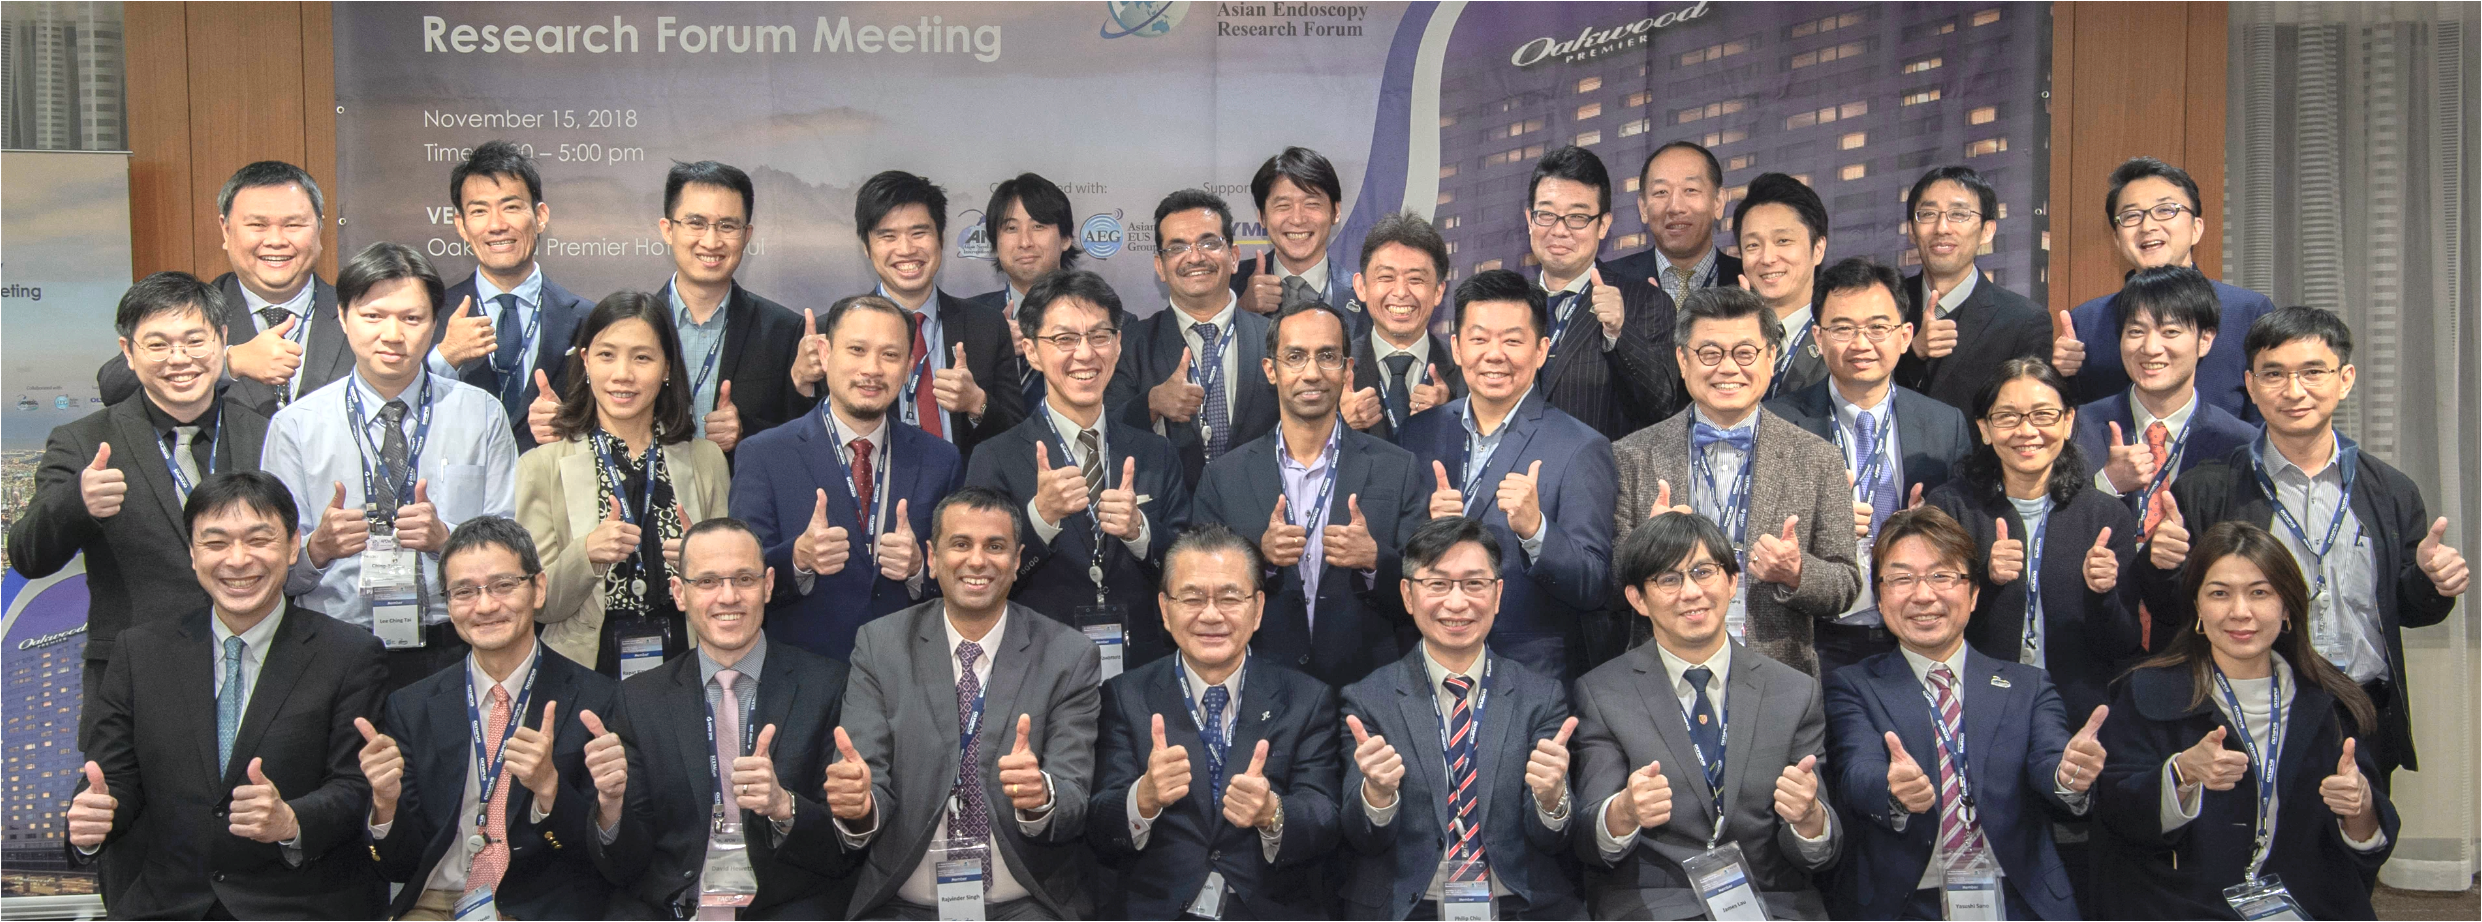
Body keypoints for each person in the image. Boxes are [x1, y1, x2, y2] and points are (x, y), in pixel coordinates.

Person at [2154, 307, 2467, 790]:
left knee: (2357, 834)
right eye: (2274, 374)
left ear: (2345, 380)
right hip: (2245, 712)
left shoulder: (2391, 492)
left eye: (2313, 372)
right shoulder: (2207, 490)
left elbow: (2407, 610)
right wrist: (2160, 563)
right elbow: (2175, 608)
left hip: (2362, 712)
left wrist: (2431, 582)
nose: (2294, 391)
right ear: (2251, 385)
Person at [64, 471, 387, 918]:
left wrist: (292, 820)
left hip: (299, 904)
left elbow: (356, 785)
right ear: (192, 554)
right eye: (216, 543)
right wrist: (94, 818)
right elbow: (114, 778)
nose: (238, 560)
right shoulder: (140, 652)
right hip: (168, 904)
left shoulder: (350, 653)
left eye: (258, 540)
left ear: (293, 545)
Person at [10, 273, 274, 746]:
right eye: (158, 344)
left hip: (259, 671)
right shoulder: (84, 441)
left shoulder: (267, 434)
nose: (180, 358)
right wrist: (77, 502)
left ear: (222, 339)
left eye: (195, 340)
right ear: (128, 353)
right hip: (134, 684)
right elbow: (29, 555)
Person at [2093, 521, 2397, 920]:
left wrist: (2359, 809)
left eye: (2260, 593)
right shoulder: (2148, 691)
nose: (2240, 612)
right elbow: (2115, 812)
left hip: (2304, 902)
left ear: (2286, 607)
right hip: (2180, 903)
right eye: (2220, 594)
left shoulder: (2331, 701)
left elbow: (2368, 842)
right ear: (2198, 607)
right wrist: (2181, 774)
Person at [827, 488, 1102, 920]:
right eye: (960, 544)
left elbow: (1072, 800)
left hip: (1025, 903)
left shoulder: (1068, 656)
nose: (977, 561)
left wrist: (1041, 796)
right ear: (932, 558)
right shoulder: (880, 646)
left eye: (995, 546)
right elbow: (867, 784)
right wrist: (859, 808)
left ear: (1017, 560)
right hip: (905, 904)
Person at [1821, 505, 2106, 920]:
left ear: (1973, 595)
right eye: (1902, 578)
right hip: (1907, 904)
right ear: (1880, 599)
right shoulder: (1854, 686)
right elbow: (1856, 770)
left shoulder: (2027, 685)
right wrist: (1891, 789)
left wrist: (2069, 776)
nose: (1923, 595)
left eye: (1942, 576)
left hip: (2019, 898)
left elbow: (2050, 761)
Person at [261, 242, 518, 692]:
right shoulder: (296, 426)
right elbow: (271, 568)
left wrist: (447, 541)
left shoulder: (481, 414)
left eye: (412, 318)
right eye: (373, 316)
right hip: (334, 646)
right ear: (344, 318)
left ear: (434, 324)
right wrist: (318, 549)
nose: (393, 334)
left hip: (453, 643)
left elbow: (512, 545)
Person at [358, 516, 641, 920]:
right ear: (448, 603)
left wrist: (549, 789)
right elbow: (398, 866)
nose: (486, 606)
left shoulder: (597, 700)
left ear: (538, 588)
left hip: (540, 907)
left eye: (503, 585)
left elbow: (614, 862)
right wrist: (385, 805)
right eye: (464, 591)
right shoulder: (412, 706)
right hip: (438, 902)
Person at [1574, 512, 1840, 919]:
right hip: (1656, 907)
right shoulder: (1604, 692)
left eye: (1703, 572)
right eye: (1669, 579)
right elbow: (1589, 840)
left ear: (1732, 582)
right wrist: (1623, 812)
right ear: (1637, 599)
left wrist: (1809, 820)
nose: (1691, 592)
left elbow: (1820, 853)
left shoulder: (1794, 692)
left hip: (1771, 905)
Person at [1087, 524, 1344, 919]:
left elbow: (1325, 819)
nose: (1211, 614)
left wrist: (1272, 812)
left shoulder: (1307, 699)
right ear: (1165, 609)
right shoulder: (1125, 695)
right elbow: (1099, 826)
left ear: (1258, 608)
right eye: (1192, 598)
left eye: (1229, 597)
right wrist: (1143, 798)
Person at [607, 517, 857, 919]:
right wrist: (608, 806)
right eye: (707, 581)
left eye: (744, 579)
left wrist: (783, 806)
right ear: (679, 593)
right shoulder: (639, 699)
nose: (728, 596)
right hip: (676, 906)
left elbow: (843, 849)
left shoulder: (827, 686)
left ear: (768, 585)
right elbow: (624, 864)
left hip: (784, 907)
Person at [1338, 516, 1584, 920]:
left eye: (1474, 583)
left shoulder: (1540, 697)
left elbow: (1553, 839)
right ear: (1407, 595)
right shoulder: (1369, 699)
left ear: (1498, 594)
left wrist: (1551, 799)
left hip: (1516, 904)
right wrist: (1377, 796)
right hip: (1410, 907)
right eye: (1437, 584)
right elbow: (1361, 837)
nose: (1456, 603)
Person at [1611, 286, 1861, 677]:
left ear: (1771, 358)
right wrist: (1647, 547)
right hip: (1662, 674)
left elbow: (1844, 584)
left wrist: (1795, 572)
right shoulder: (1631, 455)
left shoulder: (1818, 458)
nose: (1728, 368)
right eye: (1710, 353)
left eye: (1745, 353)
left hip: (1778, 674)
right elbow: (1611, 583)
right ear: (1682, 360)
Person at [1193, 300, 1428, 688]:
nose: (1312, 373)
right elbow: (1198, 589)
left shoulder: (1397, 468)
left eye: (1327, 356)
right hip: (1261, 689)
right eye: (1295, 357)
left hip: (1368, 689)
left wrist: (1374, 560)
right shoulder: (1224, 476)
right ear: (1271, 370)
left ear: (1347, 370)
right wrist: (1259, 560)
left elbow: (1427, 587)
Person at [1396, 270, 1616, 681]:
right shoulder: (1416, 434)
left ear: (1541, 350)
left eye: (1513, 341)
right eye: (1479, 339)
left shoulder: (1581, 447)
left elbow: (1594, 585)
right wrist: (1424, 532)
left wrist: (1536, 531)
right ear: (1457, 348)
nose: (1494, 354)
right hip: (1424, 675)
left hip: (1528, 680)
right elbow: (1397, 564)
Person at [968, 270, 1191, 670]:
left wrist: (1140, 532)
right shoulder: (995, 457)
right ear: (1032, 351)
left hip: (1142, 669)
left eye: (1099, 336)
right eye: (1064, 339)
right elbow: (980, 577)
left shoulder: (1155, 453)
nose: (1085, 354)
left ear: (1118, 346)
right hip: (1038, 670)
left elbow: (1188, 570)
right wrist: (1040, 518)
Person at [1769, 257, 1975, 677]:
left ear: (1905, 335)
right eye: (1843, 329)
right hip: (1813, 636)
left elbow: (1967, 531)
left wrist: (1928, 528)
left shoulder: (1944, 424)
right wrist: (1825, 522)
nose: (1861, 343)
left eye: (1878, 328)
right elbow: (1759, 530)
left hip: (1915, 633)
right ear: (1818, 337)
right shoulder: (1777, 423)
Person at [516, 292, 733, 678]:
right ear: (585, 361)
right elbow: (539, 602)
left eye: (642, 358)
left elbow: (732, 588)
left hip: (686, 663)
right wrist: (586, 553)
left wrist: (702, 565)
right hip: (583, 669)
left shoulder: (706, 460)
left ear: (667, 368)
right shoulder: (542, 467)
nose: (623, 374)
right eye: (606, 355)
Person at [734, 294, 961, 662]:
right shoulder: (763, 454)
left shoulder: (940, 460)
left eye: (890, 355)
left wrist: (920, 569)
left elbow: (962, 577)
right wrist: (798, 558)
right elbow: (741, 576)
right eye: (857, 350)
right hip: (803, 672)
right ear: (825, 354)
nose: (872, 369)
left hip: (908, 671)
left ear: (908, 367)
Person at [1923, 358, 2143, 722]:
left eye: (2043, 415)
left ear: (2068, 421)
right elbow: (1929, 623)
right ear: (1985, 428)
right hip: (1974, 704)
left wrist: (2102, 594)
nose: (2026, 430)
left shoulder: (2105, 516)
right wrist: (1985, 579)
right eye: (2008, 417)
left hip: (2077, 710)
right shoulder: (1950, 508)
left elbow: (2124, 642)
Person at [97, 161, 352, 414]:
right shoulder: (192, 310)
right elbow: (113, 387)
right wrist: (228, 361)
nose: (276, 240)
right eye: (257, 225)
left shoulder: (357, 312)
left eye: (293, 225)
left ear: (319, 228)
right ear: (226, 230)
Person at [808, 170, 1025, 461]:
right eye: (888, 236)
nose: (906, 249)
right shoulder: (832, 331)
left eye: (919, 233)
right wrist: (802, 385)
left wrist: (977, 403)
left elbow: (1018, 437)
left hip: (965, 488)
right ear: (867, 248)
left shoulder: (986, 325)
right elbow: (802, 443)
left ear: (941, 238)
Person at [2054, 156, 2275, 422]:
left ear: (2196, 228)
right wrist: (2060, 376)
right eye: (2131, 216)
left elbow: (2269, 415)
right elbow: (2073, 427)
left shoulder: (2248, 312)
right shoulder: (2087, 321)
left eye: (2166, 210)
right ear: (2117, 239)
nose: (2147, 226)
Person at [1107, 189, 1279, 487]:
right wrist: (1152, 404)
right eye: (1177, 248)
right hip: (1169, 512)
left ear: (1234, 257)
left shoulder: (1276, 339)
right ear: (1160, 267)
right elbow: (1103, 433)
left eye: (1209, 243)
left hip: (1262, 509)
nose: (1195, 257)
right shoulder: (1132, 344)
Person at [427, 140, 591, 452]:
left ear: (540, 216)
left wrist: (572, 425)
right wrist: (445, 358)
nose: (497, 225)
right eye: (479, 211)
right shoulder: (432, 314)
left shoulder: (587, 318)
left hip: (551, 479)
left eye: (511, 207)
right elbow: (395, 404)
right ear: (461, 225)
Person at [2067, 266, 2261, 523]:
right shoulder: (2075, 428)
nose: (2150, 348)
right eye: (2136, 332)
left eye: (2170, 332)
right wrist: (2106, 483)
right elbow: (2048, 527)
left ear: (2205, 340)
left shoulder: (2241, 443)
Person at [645, 159, 812, 453]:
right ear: (668, 230)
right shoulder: (631, 326)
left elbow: (804, 438)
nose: (711, 241)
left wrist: (746, 432)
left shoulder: (783, 332)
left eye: (727, 226)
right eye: (696, 223)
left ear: (746, 236)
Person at [1520, 145, 1681, 440]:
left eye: (1577, 217)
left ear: (1603, 225)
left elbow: (1662, 407)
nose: (1559, 230)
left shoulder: (1644, 302)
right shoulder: (1510, 303)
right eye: (1546, 214)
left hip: (1599, 469)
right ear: (1530, 219)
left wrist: (1619, 333)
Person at [1891, 166, 2054, 414]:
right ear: (1912, 230)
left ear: (1987, 231)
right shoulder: (1886, 303)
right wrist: (1915, 352)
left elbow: (2026, 415)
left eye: (1958, 214)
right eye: (1928, 214)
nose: (1942, 228)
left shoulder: (2023, 321)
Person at [1340, 211, 1464, 443]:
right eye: (1386, 277)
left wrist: (1453, 414)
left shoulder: (1466, 370)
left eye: (1415, 279)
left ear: (1438, 291)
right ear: (1361, 287)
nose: (1400, 292)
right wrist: (1337, 424)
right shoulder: (1333, 370)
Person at [968, 172, 1080, 411]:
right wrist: (992, 350)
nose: (1025, 242)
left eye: (1038, 226)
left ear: (1065, 238)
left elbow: (1115, 414)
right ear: (995, 243)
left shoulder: (1109, 322)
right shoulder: (967, 322)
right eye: (1011, 228)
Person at [1233, 146, 1360, 332]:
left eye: (1312, 204)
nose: (1297, 219)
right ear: (1262, 217)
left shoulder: (1362, 294)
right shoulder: (1228, 287)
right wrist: (1241, 311)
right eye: (1283, 206)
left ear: (1336, 211)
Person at [1734, 173, 1833, 402]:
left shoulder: (1841, 335)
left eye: (1783, 241)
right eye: (1753, 245)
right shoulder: (1728, 335)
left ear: (1818, 249)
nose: (1767, 258)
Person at [1609, 140, 1743, 306]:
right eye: (1661, 192)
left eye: (1690, 190)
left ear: (1718, 202)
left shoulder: (1751, 282)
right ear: (1643, 207)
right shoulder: (1608, 281)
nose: (1675, 207)